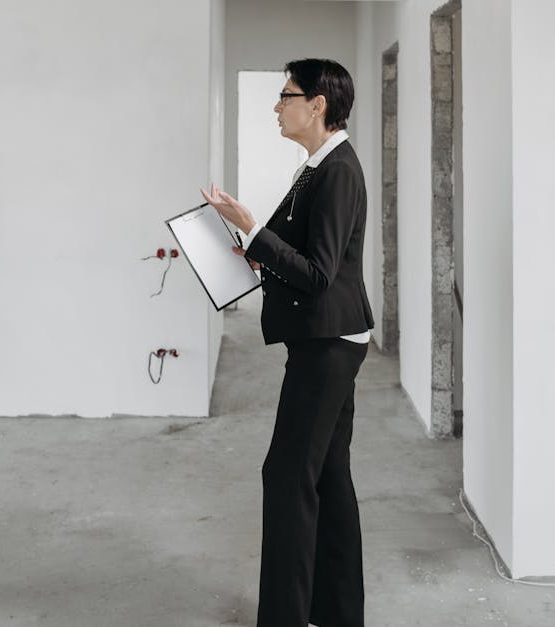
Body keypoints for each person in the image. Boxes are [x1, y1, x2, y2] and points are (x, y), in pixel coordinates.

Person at [200, 58, 375, 627]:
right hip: (328, 335)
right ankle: (337, 611)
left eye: (286, 95)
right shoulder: (318, 165)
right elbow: (293, 248)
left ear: (317, 105)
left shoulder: (338, 170)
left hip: (329, 339)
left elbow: (319, 273)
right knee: (327, 473)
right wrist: (246, 237)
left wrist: (253, 231)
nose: (277, 106)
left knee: (287, 475)